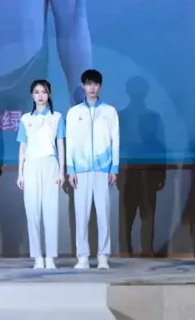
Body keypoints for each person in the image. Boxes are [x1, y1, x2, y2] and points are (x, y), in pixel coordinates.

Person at [65, 69, 119, 270]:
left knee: (104, 213)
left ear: (100, 86)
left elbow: (115, 140)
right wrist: (71, 169)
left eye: (95, 84)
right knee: (81, 215)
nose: (92, 88)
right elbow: (70, 142)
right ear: (83, 86)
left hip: (103, 169)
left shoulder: (109, 111)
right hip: (81, 170)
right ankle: (83, 257)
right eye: (88, 84)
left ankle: (103, 256)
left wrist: (114, 167)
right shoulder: (74, 113)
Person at [16, 79, 65, 269]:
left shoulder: (57, 117)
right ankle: (37, 256)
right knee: (32, 211)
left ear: (49, 94)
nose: (40, 96)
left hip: (50, 164)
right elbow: (22, 148)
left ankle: (50, 256)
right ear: (32, 95)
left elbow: (60, 145)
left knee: (51, 211)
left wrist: (62, 171)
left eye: (44, 92)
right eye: (36, 92)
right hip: (31, 166)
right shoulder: (25, 119)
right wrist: (20, 173)